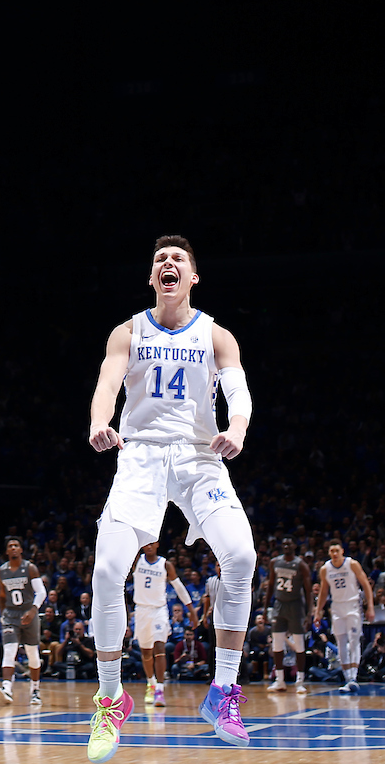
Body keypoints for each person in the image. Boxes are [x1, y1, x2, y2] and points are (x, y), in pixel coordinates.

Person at [87, 235, 256, 761]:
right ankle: (111, 701)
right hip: (139, 455)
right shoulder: (128, 331)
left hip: (198, 457)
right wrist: (99, 421)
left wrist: (237, 429)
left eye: (178, 259)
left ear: (192, 277)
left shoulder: (216, 335)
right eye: (160, 258)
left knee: (242, 556)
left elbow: (239, 393)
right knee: (106, 571)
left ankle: (223, 691)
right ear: (152, 277)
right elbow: (107, 384)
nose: (168, 262)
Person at [131, 540, 197, 708]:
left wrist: (191, 610)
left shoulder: (165, 565)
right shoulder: (136, 560)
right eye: (146, 543)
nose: (149, 546)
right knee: (146, 652)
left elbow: (179, 587)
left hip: (159, 610)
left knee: (159, 647)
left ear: (158, 544)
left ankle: (160, 690)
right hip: (141, 610)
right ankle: (151, 683)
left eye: (152, 543)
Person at [313, 538, 374, 694]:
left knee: (354, 641)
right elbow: (323, 592)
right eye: (331, 551)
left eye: (337, 551)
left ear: (342, 551)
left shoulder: (352, 564)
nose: (334, 553)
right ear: (329, 553)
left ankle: (353, 677)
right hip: (337, 607)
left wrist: (370, 607)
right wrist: (318, 611)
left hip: (353, 606)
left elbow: (366, 585)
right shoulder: (325, 569)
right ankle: (348, 679)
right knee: (341, 642)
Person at [0, 536, 46, 708]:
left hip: (29, 612)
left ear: (21, 550)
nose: (14, 548)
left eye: (16, 545)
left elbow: (41, 592)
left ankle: (35, 690)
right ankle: (7, 689)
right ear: (7, 551)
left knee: (32, 653)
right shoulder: (1, 571)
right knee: (9, 650)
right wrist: (3, 614)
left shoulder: (30, 568)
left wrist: (33, 610)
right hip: (10, 615)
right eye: (10, 546)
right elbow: (2, 595)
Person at [265, 535, 312, 693]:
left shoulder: (301, 564)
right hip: (279, 604)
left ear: (294, 546)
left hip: (295, 605)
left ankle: (300, 681)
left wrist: (309, 613)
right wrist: (265, 608)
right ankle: (280, 680)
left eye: (289, 544)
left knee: (299, 644)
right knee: (277, 644)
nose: (286, 546)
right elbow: (270, 586)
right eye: (284, 544)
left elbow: (308, 591)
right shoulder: (274, 562)